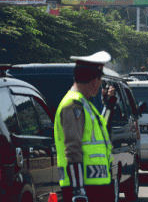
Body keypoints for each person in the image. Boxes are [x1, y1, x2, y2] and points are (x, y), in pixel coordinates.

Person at [54, 51, 116, 202]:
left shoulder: (85, 103)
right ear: (94, 80)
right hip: (85, 190)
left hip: (97, 188)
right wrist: (78, 191)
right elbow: (73, 149)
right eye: (100, 79)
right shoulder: (73, 105)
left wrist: (108, 107)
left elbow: (99, 133)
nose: (100, 84)